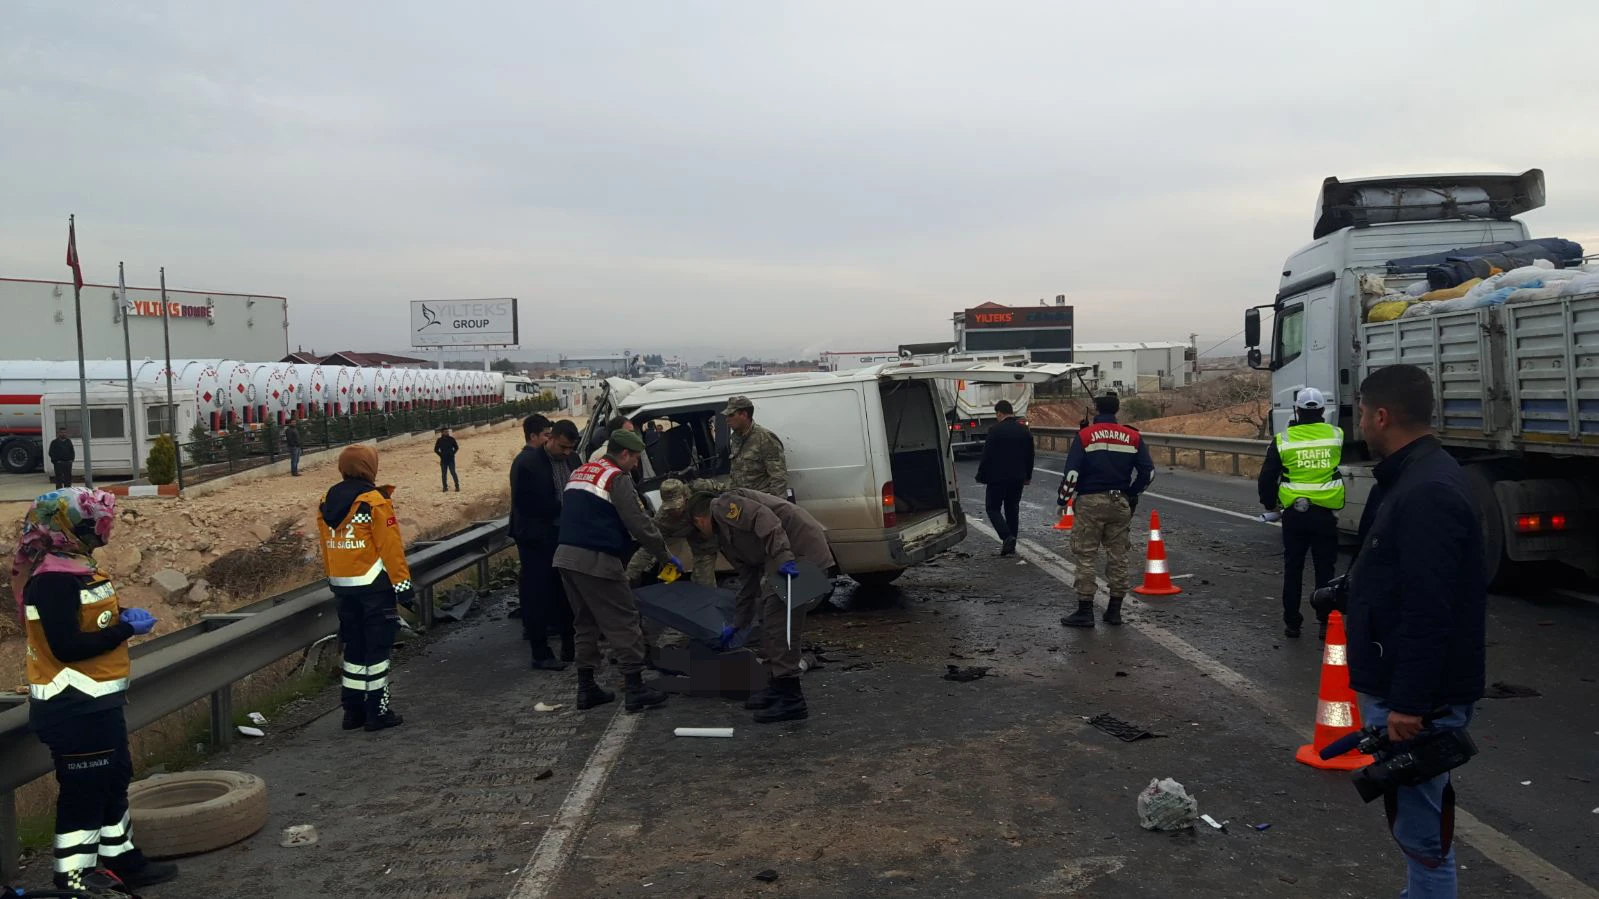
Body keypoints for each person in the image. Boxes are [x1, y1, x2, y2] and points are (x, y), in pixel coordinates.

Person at [1345, 364, 1484, 898]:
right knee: (1415, 826)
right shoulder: (1413, 476)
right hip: (1407, 690)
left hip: (1415, 703)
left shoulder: (1427, 490)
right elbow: (1402, 578)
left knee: (1424, 838)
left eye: (1362, 412)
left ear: (1381, 415)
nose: (1360, 423)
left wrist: (1408, 703)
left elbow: (1431, 608)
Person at [13, 488, 179, 892]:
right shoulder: (52, 580)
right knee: (84, 795)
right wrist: (125, 630)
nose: (103, 530)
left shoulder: (77, 568)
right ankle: (74, 879)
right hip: (73, 709)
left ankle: (121, 860)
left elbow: (87, 618)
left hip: (97, 703)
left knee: (113, 779)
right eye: (93, 524)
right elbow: (67, 646)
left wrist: (119, 617)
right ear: (66, 527)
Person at [555, 429, 680, 713]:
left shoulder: (580, 472)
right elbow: (639, 523)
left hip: (565, 557)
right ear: (624, 454)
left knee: (585, 623)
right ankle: (635, 688)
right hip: (597, 559)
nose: (636, 464)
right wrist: (666, 556)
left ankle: (586, 689)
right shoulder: (616, 478)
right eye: (635, 458)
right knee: (624, 619)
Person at [689, 488, 833, 723]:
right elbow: (748, 577)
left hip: (802, 555)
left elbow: (765, 518)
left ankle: (792, 699)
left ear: (699, 519)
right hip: (784, 558)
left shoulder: (722, 505)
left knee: (780, 624)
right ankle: (776, 686)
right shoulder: (725, 536)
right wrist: (738, 623)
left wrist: (784, 557)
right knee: (767, 618)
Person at [317, 445, 415, 732]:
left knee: (355, 650)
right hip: (374, 588)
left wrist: (334, 579)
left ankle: (353, 711)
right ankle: (377, 712)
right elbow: (390, 549)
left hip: (343, 589)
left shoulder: (326, 501)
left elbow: (326, 547)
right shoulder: (374, 502)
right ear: (369, 467)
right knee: (378, 650)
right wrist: (403, 587)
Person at [1056, 392, 1154, 628]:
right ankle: (1114, 610)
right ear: (1117, 410)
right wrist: (1131, 493)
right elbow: (1148, 473)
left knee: (1086, 555)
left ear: (1096, 409)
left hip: (1090, 502)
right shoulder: (1133, 437)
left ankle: (1085, 610)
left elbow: (1072, 475)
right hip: (1119, 501)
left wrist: (1063, 500)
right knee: (1118, 556)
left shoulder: (1085, 436)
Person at [1258, 387, 1343, 639]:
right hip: (1325, 514)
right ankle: (1325, 622)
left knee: (1293, 568)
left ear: (1297, 410)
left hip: (1295, 515)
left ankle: (1292, 623)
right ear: (1322, 410)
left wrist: (1270, 505)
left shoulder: (1283, 440)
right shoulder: (1335, 435)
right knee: (1325, 569)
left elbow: (1267, 476)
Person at [509, 417, 579, 669]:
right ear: (550, 438)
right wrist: (561, 507)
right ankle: (540, 653)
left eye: (570, 448)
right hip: (536, 540)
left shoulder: (573, 460)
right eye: (563, 447)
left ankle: (570, 645)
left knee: (566, 593)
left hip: (566, 536)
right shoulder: (527, 463)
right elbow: (525, 505)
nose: (566, 452)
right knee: (538, 594)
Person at [623, 477, 720, 587]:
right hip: (703, 544)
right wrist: (629, 576)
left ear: (685, 496)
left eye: (678, 506)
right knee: (704, 585)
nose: (675, 511)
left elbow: (729, 495)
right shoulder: (663, 520)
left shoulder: (700, 488)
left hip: (724, 527)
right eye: (671, 508)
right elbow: (649, 547)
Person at [975, 399, 1034, 556]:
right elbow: (1030, 455)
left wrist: (981, 475)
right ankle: (1011, 545)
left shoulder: (994, 430)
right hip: (1018, 477)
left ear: (1000, 413)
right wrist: (1028, 475)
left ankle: (1006, 537)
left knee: (992, 508)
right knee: (1012, 508)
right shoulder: (1024, 430)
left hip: (997, 478)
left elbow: (987, 455)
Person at [723, 396, 788, 498]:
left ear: (744, 415)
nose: (727, 420)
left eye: (731, 415)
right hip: (742, 500)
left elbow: (778, 477)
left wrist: (775, 504)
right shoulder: (736, 440)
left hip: (760, 500)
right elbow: (736, 475)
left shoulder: (765, 438)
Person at [435, 427, 460, 492]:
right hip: (443, 460)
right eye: (445, 432)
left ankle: (457, 487)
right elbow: (435, 449)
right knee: (444, 474)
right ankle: (445, 487)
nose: (446, 433)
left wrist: (453, 453)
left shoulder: (451, 439)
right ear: (442, 432)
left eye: (447, 431)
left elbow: (456, 447)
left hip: (451, 459)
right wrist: (441, 455)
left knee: (453, 472)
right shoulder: (439, 440)